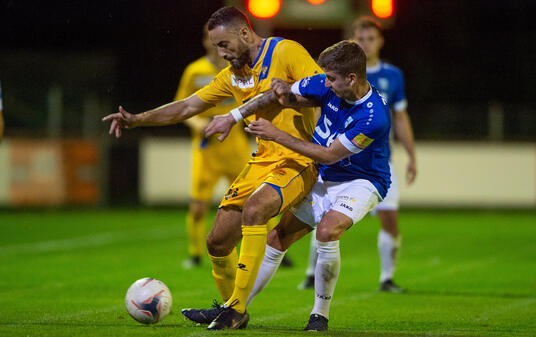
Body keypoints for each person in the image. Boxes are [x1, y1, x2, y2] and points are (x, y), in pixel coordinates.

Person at [102, 6, 321, 330]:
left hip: (299, 158)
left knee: (256, 210)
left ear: (245, 33)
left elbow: (322, 90)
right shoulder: (233, 76)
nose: (220, 52)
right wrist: (138, 119)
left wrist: (285, 96)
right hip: (262, 160)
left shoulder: (286, 51)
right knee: (217, 242)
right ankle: (234, 310)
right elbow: (189, 105)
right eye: (216, 46)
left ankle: (234, 308)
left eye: (223, 44)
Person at [205, 40, 391, 331]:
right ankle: (233, 309)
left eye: (331, 79)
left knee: (328, 230)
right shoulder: (327, 83)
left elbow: (329, 154)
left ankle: (320, 315)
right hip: (325, 176)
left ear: (351, 79)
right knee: (277, 238)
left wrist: (276, 134)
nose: (325, 83)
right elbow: (284, 94)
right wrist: (276, 92)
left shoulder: (372, 116)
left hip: (361, 180)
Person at [298, 16, 417, 293]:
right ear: (353, 40)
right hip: (338, 159)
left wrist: (411, 155)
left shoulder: (391, 76)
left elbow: (401, 117)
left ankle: (387, 278)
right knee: (324, 218)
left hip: (375, 163)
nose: (366, 43)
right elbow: (318, 104)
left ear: (380, 41)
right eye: (361, 39)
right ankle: (310, 273)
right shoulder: (340, 75)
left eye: (371, 38)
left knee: (390, 219)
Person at [174, 26, 251, 269]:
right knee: (198, 207)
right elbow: (181, 106)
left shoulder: (238, 69)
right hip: (207, 148)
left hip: (234, 143)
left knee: (252, 200)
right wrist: (197, 123)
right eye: (213, 41)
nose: (217, 45)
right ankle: (195, 254)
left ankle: (270, 249)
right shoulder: (194, 71)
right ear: (206, 42)